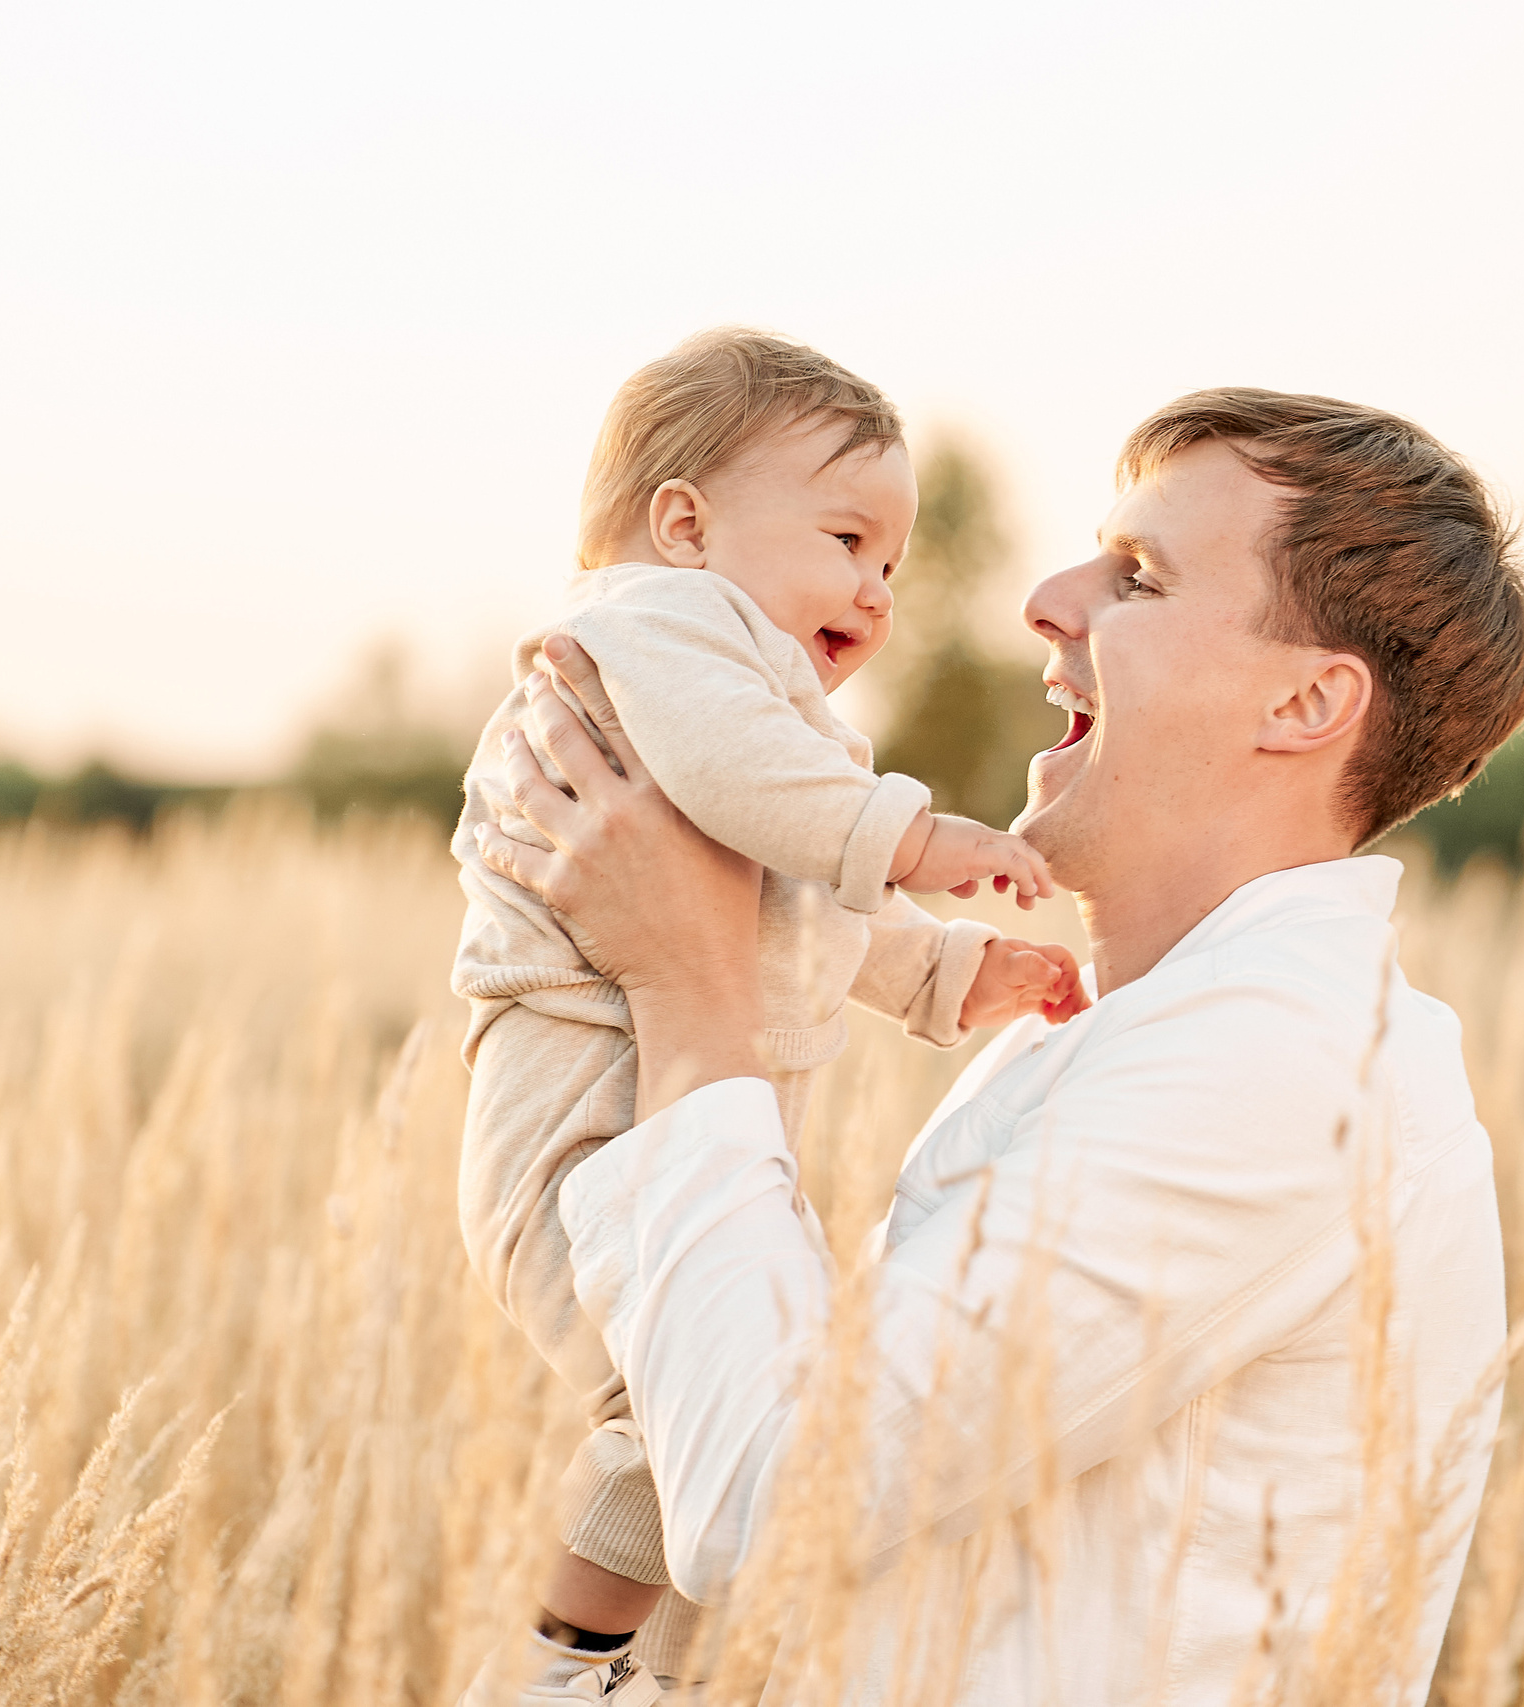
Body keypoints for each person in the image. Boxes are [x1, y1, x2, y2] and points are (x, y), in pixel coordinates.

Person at [465, 388, 1524, 1704]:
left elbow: (772, 1498)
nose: (1045, 596)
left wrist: (691, 985)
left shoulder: (1281, 1069)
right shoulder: (1113, 1036)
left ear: (1308, 702)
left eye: (1137, 576)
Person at [451, 329, 1088, 1701]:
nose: (875, 586)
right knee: (679, 1397)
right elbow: (755, 793)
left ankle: (655, 1674)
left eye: (893, 565)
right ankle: (566, 1658)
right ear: (684, 524)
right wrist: (916, 836)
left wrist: (936, 972)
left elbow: (786, 888)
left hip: (661, 1082)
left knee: (725, 1389)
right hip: (585, 1086)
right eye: (848, 538)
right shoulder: (656, 626)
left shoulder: (744, 681)